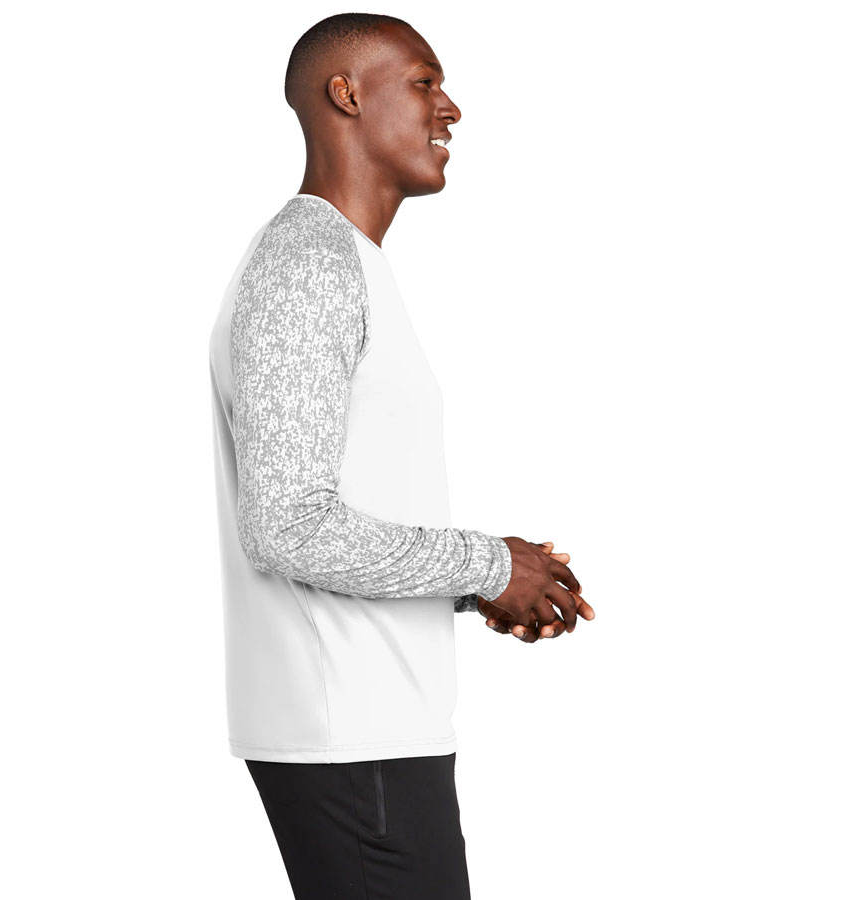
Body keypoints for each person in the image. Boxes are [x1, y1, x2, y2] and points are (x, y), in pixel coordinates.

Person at [208, 12, 594, 898]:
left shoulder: (343, 261)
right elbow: (287, 525)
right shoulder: (309, 263)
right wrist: (489, 563)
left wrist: (477, 585)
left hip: (372, 731)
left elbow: (338, 506)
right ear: (345, 95)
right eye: (424, 82)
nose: (449, 108)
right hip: (351, 736)